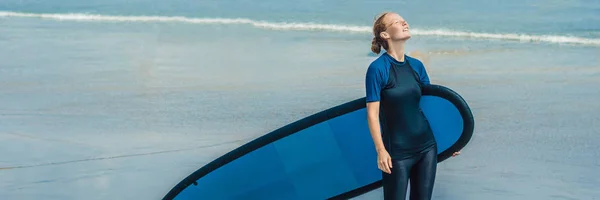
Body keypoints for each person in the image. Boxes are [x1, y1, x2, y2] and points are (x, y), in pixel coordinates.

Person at [364, 12, 460, 200]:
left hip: (427, 148)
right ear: (385, 34)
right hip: (397, 154)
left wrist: (451, 140)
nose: (404, 22)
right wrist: (381, 150)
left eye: (404, 20)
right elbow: (372, 114)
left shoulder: (417, 66)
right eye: (397, 22)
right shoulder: (378, 69)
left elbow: (431, 107)